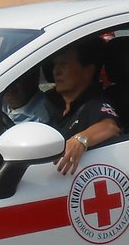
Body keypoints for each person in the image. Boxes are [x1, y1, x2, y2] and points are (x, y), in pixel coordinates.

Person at [46, 36, 120, 176]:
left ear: (88, 71)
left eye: (64, 64)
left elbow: (110, 127)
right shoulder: (56, 104)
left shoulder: (94, 103)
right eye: (55, 65)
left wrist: (80, 141)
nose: (56, 71)